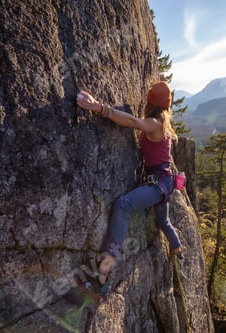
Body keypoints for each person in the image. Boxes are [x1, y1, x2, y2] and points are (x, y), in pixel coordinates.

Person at [76, 81, 182, 294]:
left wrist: (100, 107)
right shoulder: (165, 124)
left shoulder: (154, 123)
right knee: (163, 220)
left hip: (159, 185)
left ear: (149, 103)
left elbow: (133, 121)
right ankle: (177, 249)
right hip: (165, 183)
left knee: (123, 205)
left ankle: (102, 276)